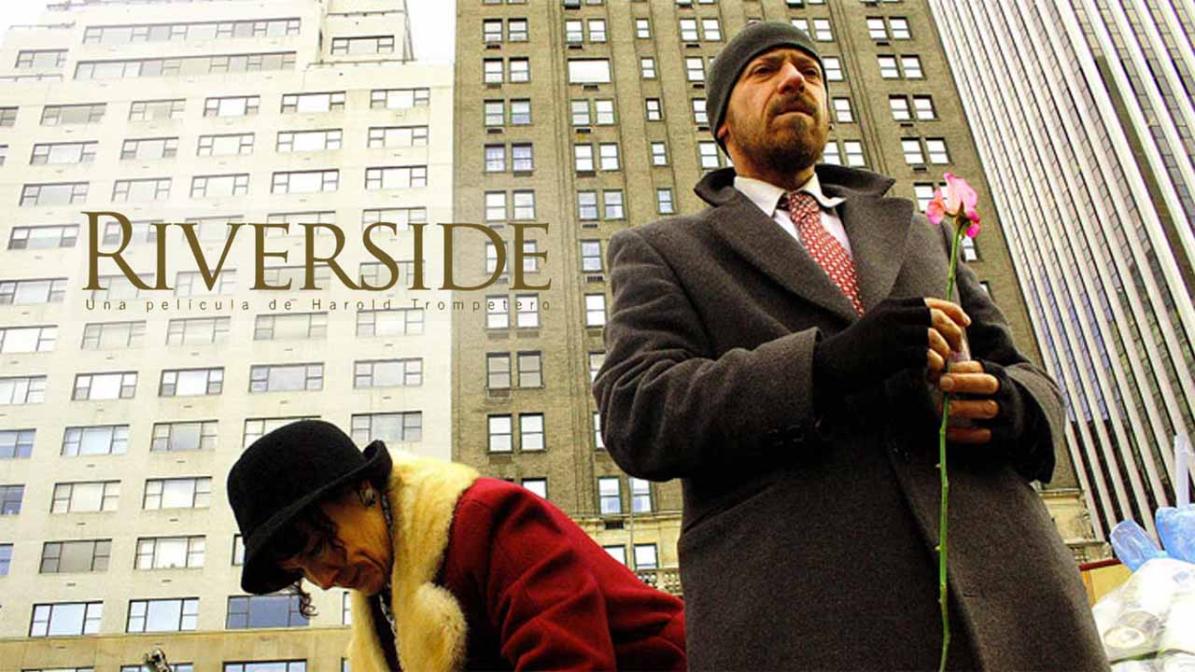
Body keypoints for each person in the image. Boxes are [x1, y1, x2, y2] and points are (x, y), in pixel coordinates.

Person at [592, 21, 1106, 671]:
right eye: (765, 70)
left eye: (810, 71)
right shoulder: (664, 250)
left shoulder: (922, 232)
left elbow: (1026, 374)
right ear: (722, 124)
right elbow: (636, 409)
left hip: (1010, 604)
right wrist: (822, 368)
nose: (793, 80)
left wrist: (1010, 406)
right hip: (810, 621)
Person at [227, 420, 686, 672]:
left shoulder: (490, 520)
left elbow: (568, 663)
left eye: (318, 548)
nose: (325, 580)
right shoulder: (384, 596)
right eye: (303, 570)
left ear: (363, 490)